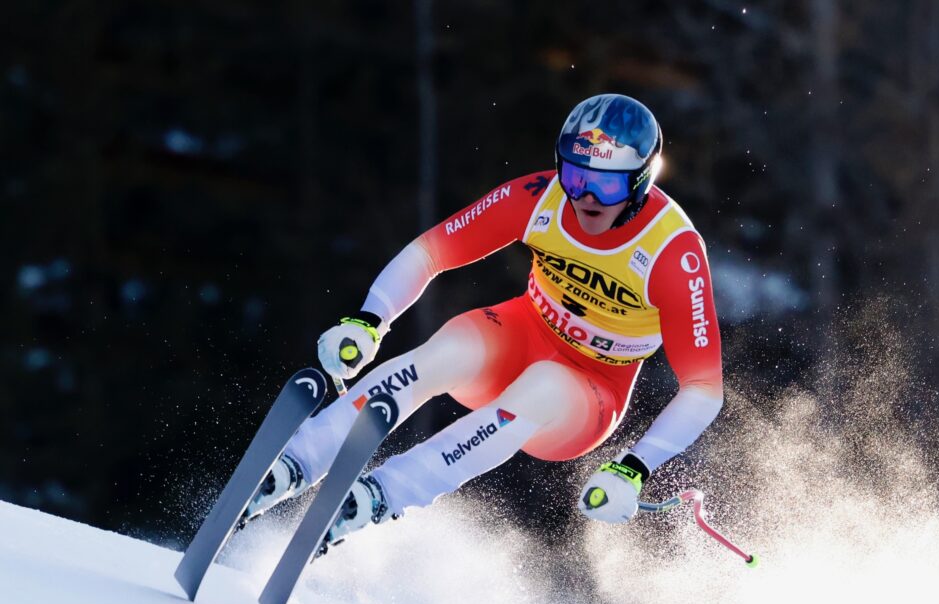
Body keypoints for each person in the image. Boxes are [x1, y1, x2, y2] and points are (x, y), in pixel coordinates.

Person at [241, 94, 724, 552]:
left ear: (641, 181)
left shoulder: (671, 251)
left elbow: (704, 387)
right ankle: (292, 464)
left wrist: (633, 468)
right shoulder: (539, 197)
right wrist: (369, 320)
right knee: (447, 350)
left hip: (590, 391)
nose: (587, 197)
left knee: (544, 385)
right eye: (576, 178)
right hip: (522, 334)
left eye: (609, 184)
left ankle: (380, 496)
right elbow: (431, 252)